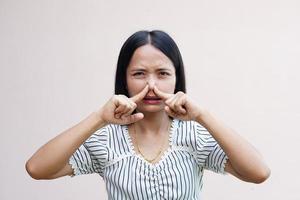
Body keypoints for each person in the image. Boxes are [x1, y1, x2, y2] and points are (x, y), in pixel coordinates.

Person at [25, 30, 270, 199]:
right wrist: (99, 116)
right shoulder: (106, 139)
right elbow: (37, 168)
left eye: (162, 73)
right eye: (139, 74)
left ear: (176, 78)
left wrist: (202, 115)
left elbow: (259, 172)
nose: (151, 85)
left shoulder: (195, 136)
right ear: (125, 79)